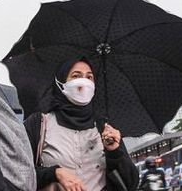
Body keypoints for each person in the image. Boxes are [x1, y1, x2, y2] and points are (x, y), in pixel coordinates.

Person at [24, 57, 139, 191]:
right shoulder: (40, 124)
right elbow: (19, 173)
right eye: (76, 76)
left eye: (89, 77)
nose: (84, 82)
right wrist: (55, 173)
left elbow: (131, 184)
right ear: (60, 83)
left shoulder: (104, 128)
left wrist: (114, 152)